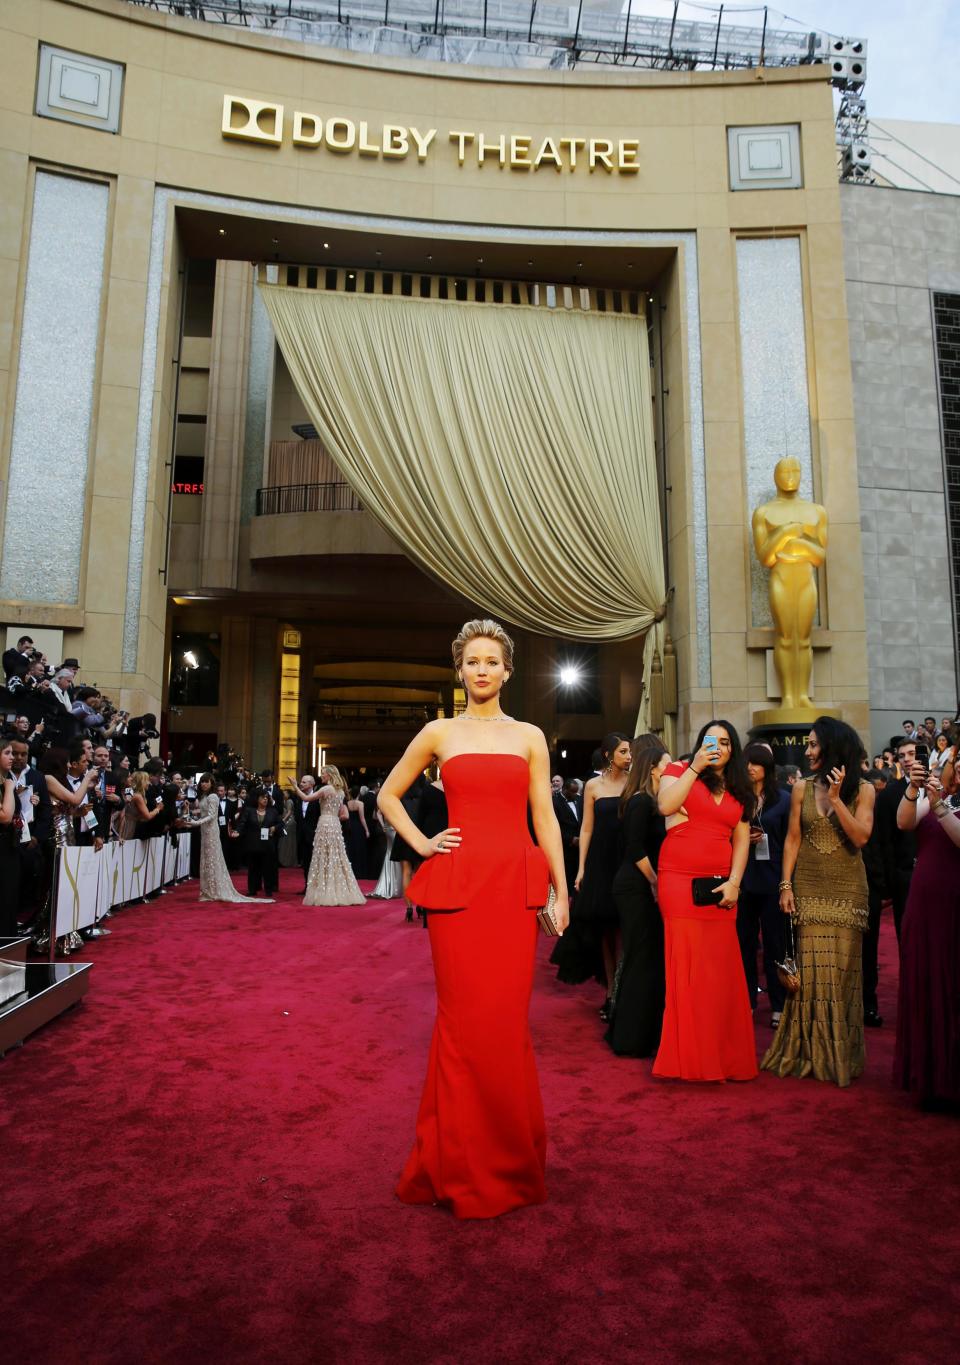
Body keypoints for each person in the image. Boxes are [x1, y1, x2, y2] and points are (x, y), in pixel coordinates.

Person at [378, 618, 568, 1220]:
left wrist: (563, 890)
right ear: (459, 670)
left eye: (492, 661)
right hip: (460, 895)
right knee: (460, 1027)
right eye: (472, 661)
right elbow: (387, 795)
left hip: (512, 890)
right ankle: (456, 1164)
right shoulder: (438, 732)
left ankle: (509, 1163)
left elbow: (546, 818)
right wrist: (424, 841)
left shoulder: (531, 736)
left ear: (507, 671)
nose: (482, 670)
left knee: (506, 1025)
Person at [762, 717, 875, 1088]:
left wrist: (839, 799)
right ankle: (806, 1052)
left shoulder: (865, 791)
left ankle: (838, 1055)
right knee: (809, 978)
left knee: (840, 977)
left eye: (813, 745)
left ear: (832, 748)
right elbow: (793, 839)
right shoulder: (802, 789)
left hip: (847, 892)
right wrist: (785, 885)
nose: (807, 751)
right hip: (808, 887)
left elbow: (860, 838)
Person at [654, 720, 757, 1083]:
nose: (720, 747)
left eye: (727, 742)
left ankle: (722, 1055)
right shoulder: (679, 770)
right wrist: (695, 766)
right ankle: (687, 1057)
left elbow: (742, 841)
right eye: (712, 740)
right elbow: (666, 805)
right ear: (700, 743)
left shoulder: (742, 790)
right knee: (685, 966)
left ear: (734, 750)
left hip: (720, 889)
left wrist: (735, 883)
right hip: (678, 883)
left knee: (718, 970)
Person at [894, 754, 960, 1109]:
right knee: (929, 983)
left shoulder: (942, 805)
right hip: (924, 905)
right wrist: (913, 788)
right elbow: (903, 823)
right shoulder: (940, 796)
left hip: (955, 905)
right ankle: (931, 1078)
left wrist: (940, 810)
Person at [550, 731, 631, 1015]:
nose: (629, 756)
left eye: (630, 752)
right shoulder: (593, 786)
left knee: (625, 929)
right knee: (606, 931)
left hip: (628, 859)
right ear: (608, 755)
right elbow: (586, 828)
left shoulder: (636, 783)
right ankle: (611, 991)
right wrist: (582, 867)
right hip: (600, 861)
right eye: (623, 751)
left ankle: (624, 990)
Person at [606, 737, 669, 1058]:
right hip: (636, 888)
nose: (671, 769)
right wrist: (656, 882)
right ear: (654, 770)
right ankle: (630, 1038)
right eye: (667, 764)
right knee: (641, 959)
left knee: (643, 959)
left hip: (639, 887)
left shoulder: (649, 800)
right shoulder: (642, 802)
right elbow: (635, 848)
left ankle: (636, 1033)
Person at [738, 742, 791, 1028]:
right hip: (744, 879)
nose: (750, 768)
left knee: (775, 945)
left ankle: (778, 1005)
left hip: (773, 878)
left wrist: (787, 883)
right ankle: (746, 1000)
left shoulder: (783, 798)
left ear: (767, 768)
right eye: (747, 762)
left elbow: (790, 841)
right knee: (744, 945)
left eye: (756, 763)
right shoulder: (737, 798)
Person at [186, 772, 273, 904]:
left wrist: (194, 823)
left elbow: (211, 816)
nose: (204, 784)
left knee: (212, 860)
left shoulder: (213, 796)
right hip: (204, 831)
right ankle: (208, 890)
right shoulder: (204, 796)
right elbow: (202, 813)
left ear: (211, 783)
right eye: (202, 781)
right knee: (206, 860)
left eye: (206, 781)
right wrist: (192, 817)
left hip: (211, 831)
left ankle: (213, 890)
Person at [295, 766, 365, 906]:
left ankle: (325, 890)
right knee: (336, 856)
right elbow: (343, 814)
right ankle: (338, 889)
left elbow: (306, 798)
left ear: (329, 775)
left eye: (323, 774)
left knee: (323, 856)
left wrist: (294, 786)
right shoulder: (340, 792)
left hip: (325, 823)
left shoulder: (326, 789)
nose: (321, 776)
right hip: (335, 824)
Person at [234, 789, 282, 895]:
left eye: (266, 797)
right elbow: (242, 823)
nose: (265, 799)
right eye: (262, 797)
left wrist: (274, 828)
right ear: (257, 799)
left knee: (268, 868)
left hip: (268, 844)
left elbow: (281, 823)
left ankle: (269, 890)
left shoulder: (272, 811)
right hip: (253, 843)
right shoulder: (249, 810)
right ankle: (252, 889)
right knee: (253, 868)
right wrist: (237, 831)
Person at [368, 808, 404, 900]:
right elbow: (379, 813)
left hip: (390, 828)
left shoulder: (384, 799)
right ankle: (394, 887)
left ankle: (392, 886)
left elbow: (378, 813)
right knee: (393, 854)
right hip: (393, 829)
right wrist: (383, 824)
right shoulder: (392, 799)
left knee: (391, 853)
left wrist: (383, 824)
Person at [343, 785, 371, 879]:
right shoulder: (360, 804)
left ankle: (350, 872)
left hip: (349, 827)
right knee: (359, 849)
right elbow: (362, 819)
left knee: (350, 849)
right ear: (359, 793)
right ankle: (359, 872)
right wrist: (367, 830)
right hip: (358, 828)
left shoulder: (347, 803)